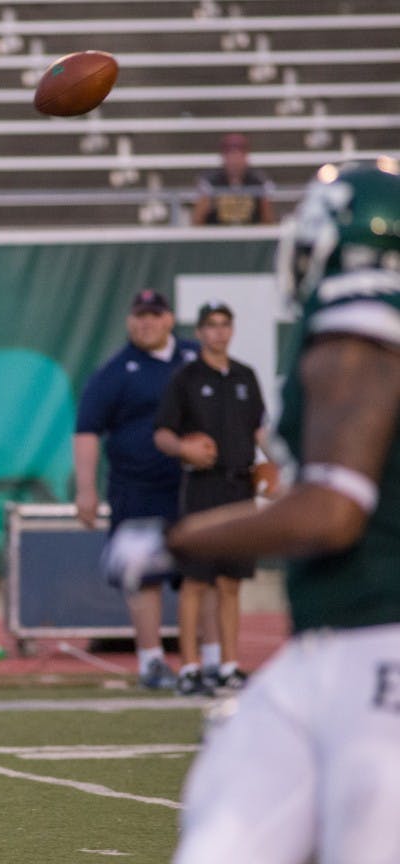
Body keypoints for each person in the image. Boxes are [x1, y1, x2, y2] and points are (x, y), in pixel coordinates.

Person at [103, 159, 400, 864]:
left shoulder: (359, 331)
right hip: (326, 646)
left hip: (378, 651)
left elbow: (333, 512)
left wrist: (175, 541)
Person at [73, 289, 208, 690]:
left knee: (201, 575)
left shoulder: (193, 358)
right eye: (139, 316)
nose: (145, 323)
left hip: (193, 485)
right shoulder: (117, 369)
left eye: (154, 315)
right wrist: (86, 490)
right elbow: (87, 430)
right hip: (137, 488)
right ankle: (151, 661)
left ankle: (203, 662)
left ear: (169, 319)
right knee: (143, 576)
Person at [153, 301, 269, 696]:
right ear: (200, 331)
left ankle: (229, 665)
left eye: (225, 325)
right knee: (196, 581)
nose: (219, 332)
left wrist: (279, 466)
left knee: (231, 581)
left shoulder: (245, 376)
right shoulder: (186, 377)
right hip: (203, 485)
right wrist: (184, 448)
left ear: (232, 330)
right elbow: (163, 433)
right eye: (211, 325)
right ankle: (189, 667)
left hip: (240, 486)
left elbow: (258, 430)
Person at [191, 132, 275, 226]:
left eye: (238, 155)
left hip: (250, 236)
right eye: (230, 155)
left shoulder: (259, 181)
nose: (234, 160)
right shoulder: (210, 182)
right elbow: (197, 221)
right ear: (224, 157)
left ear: (245, 157)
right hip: (217, 236)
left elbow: (268, 221)